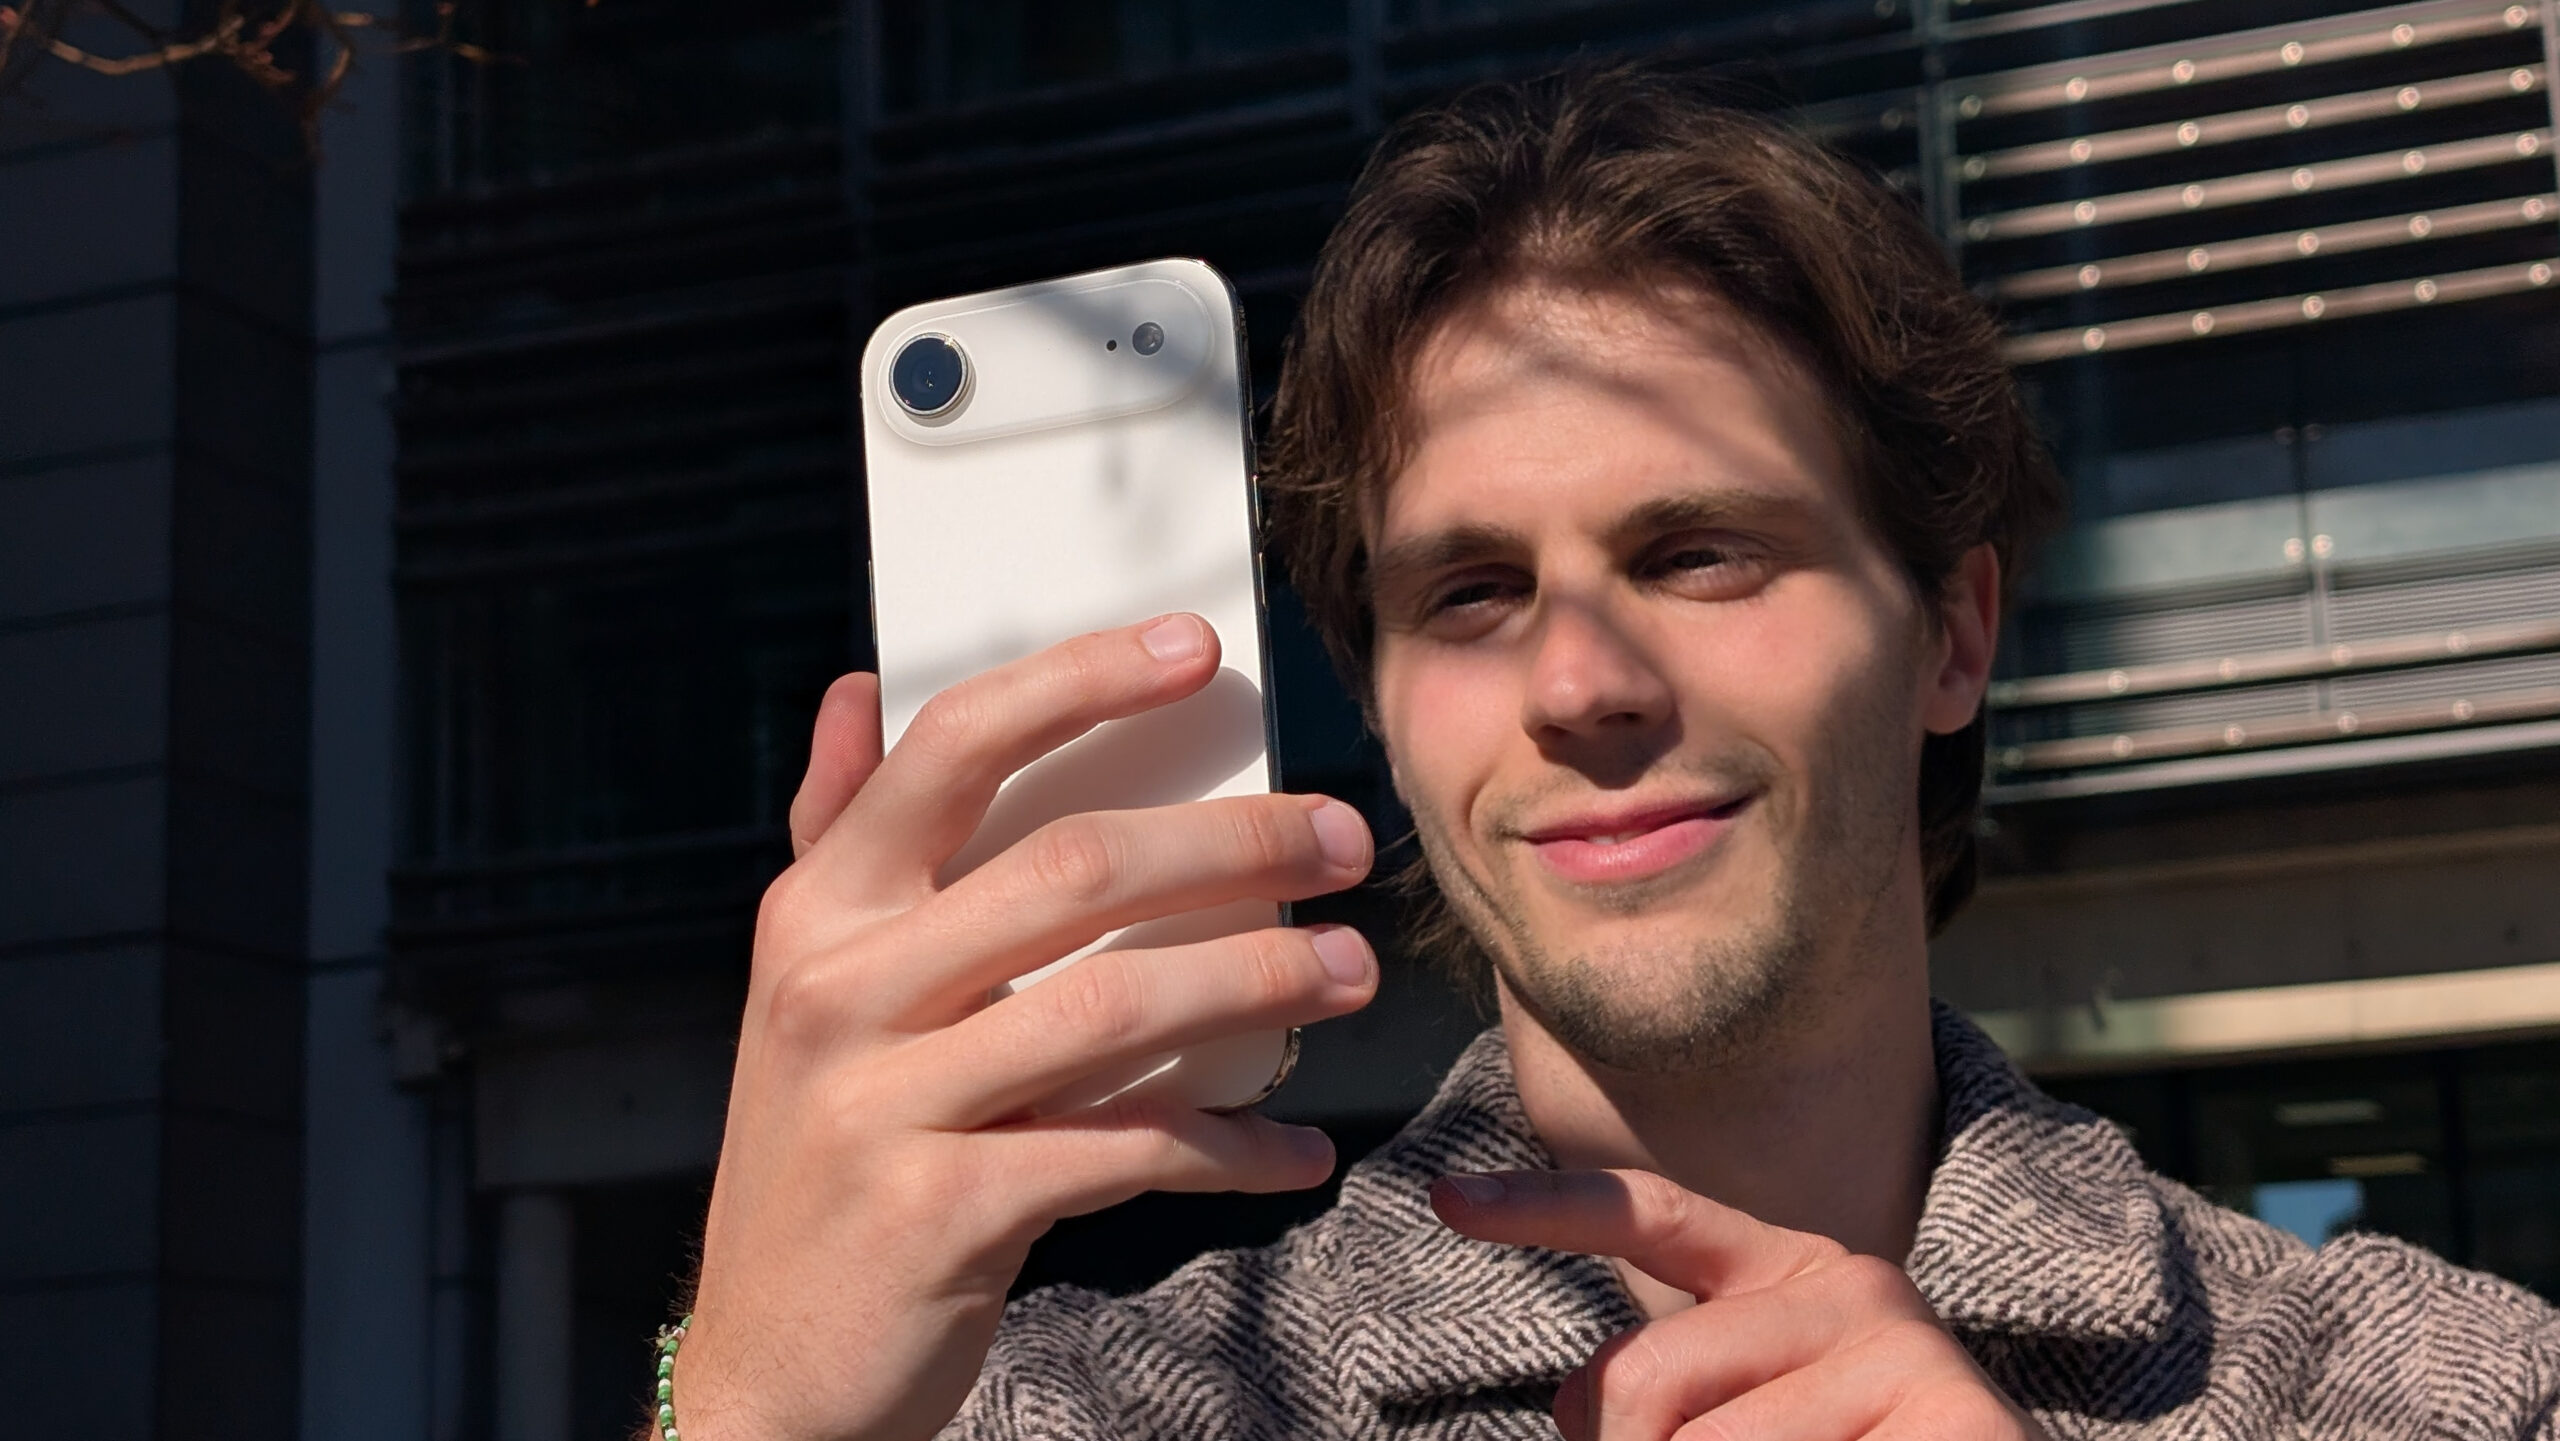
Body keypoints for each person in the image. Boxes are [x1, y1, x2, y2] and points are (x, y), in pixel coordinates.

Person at [666, 67, 2560, 1441]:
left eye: (1700, 552)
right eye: (1472, 592)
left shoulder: (2443, 1394)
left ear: (1954, 634)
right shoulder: (1055, 1417)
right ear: (1381, 708)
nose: (1578, 680)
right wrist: (741, 1401)